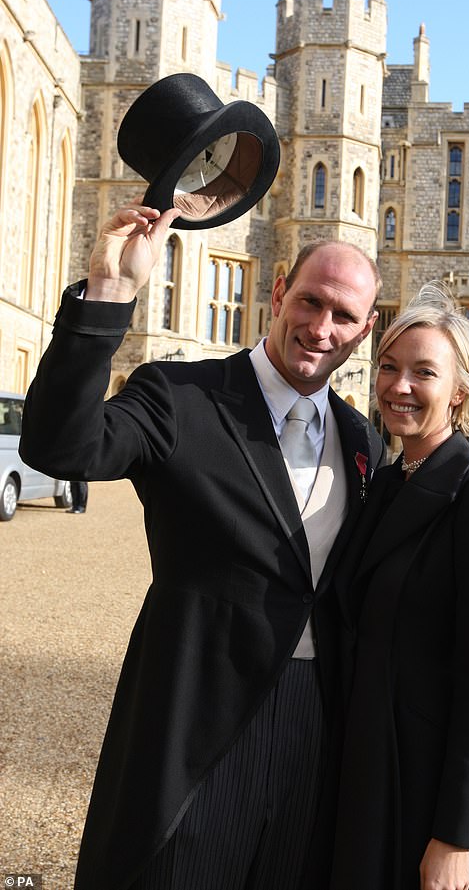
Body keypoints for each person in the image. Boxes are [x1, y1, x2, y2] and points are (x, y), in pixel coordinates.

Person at [19, 203, 385, 890]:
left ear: (366, 329)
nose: (320, 327)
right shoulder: (182, 396)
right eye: (309, 301)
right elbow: (60, 446)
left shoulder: (361, 438)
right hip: (198, 727)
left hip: (316, 729)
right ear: (277, 292)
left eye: (343, 315)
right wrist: (109, 293)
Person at [330, 282, 469, 890]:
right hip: (365, 771)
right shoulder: (381, 487)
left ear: (460, 394)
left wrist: (456, 836)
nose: (399, 386)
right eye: (389, 368)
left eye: (423, 372)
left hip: (427, 786)